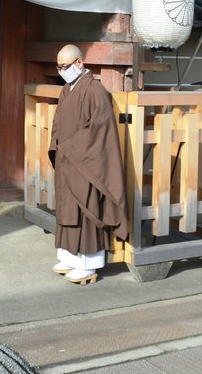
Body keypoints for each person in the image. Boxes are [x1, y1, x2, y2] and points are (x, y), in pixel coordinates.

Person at [48, 44, 128, 285]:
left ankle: (88, 264)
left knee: (85, 209)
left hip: (85, 162)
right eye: (59, 67)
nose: (62, 71)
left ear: (79, 63)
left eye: (65, 66)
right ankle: (69, 256)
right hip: (67, 159)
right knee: (66, 207)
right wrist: (59, 145)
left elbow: (100, 130)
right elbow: (58, 124)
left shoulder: (95, 91)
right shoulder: (66, 89)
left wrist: (73, 149)